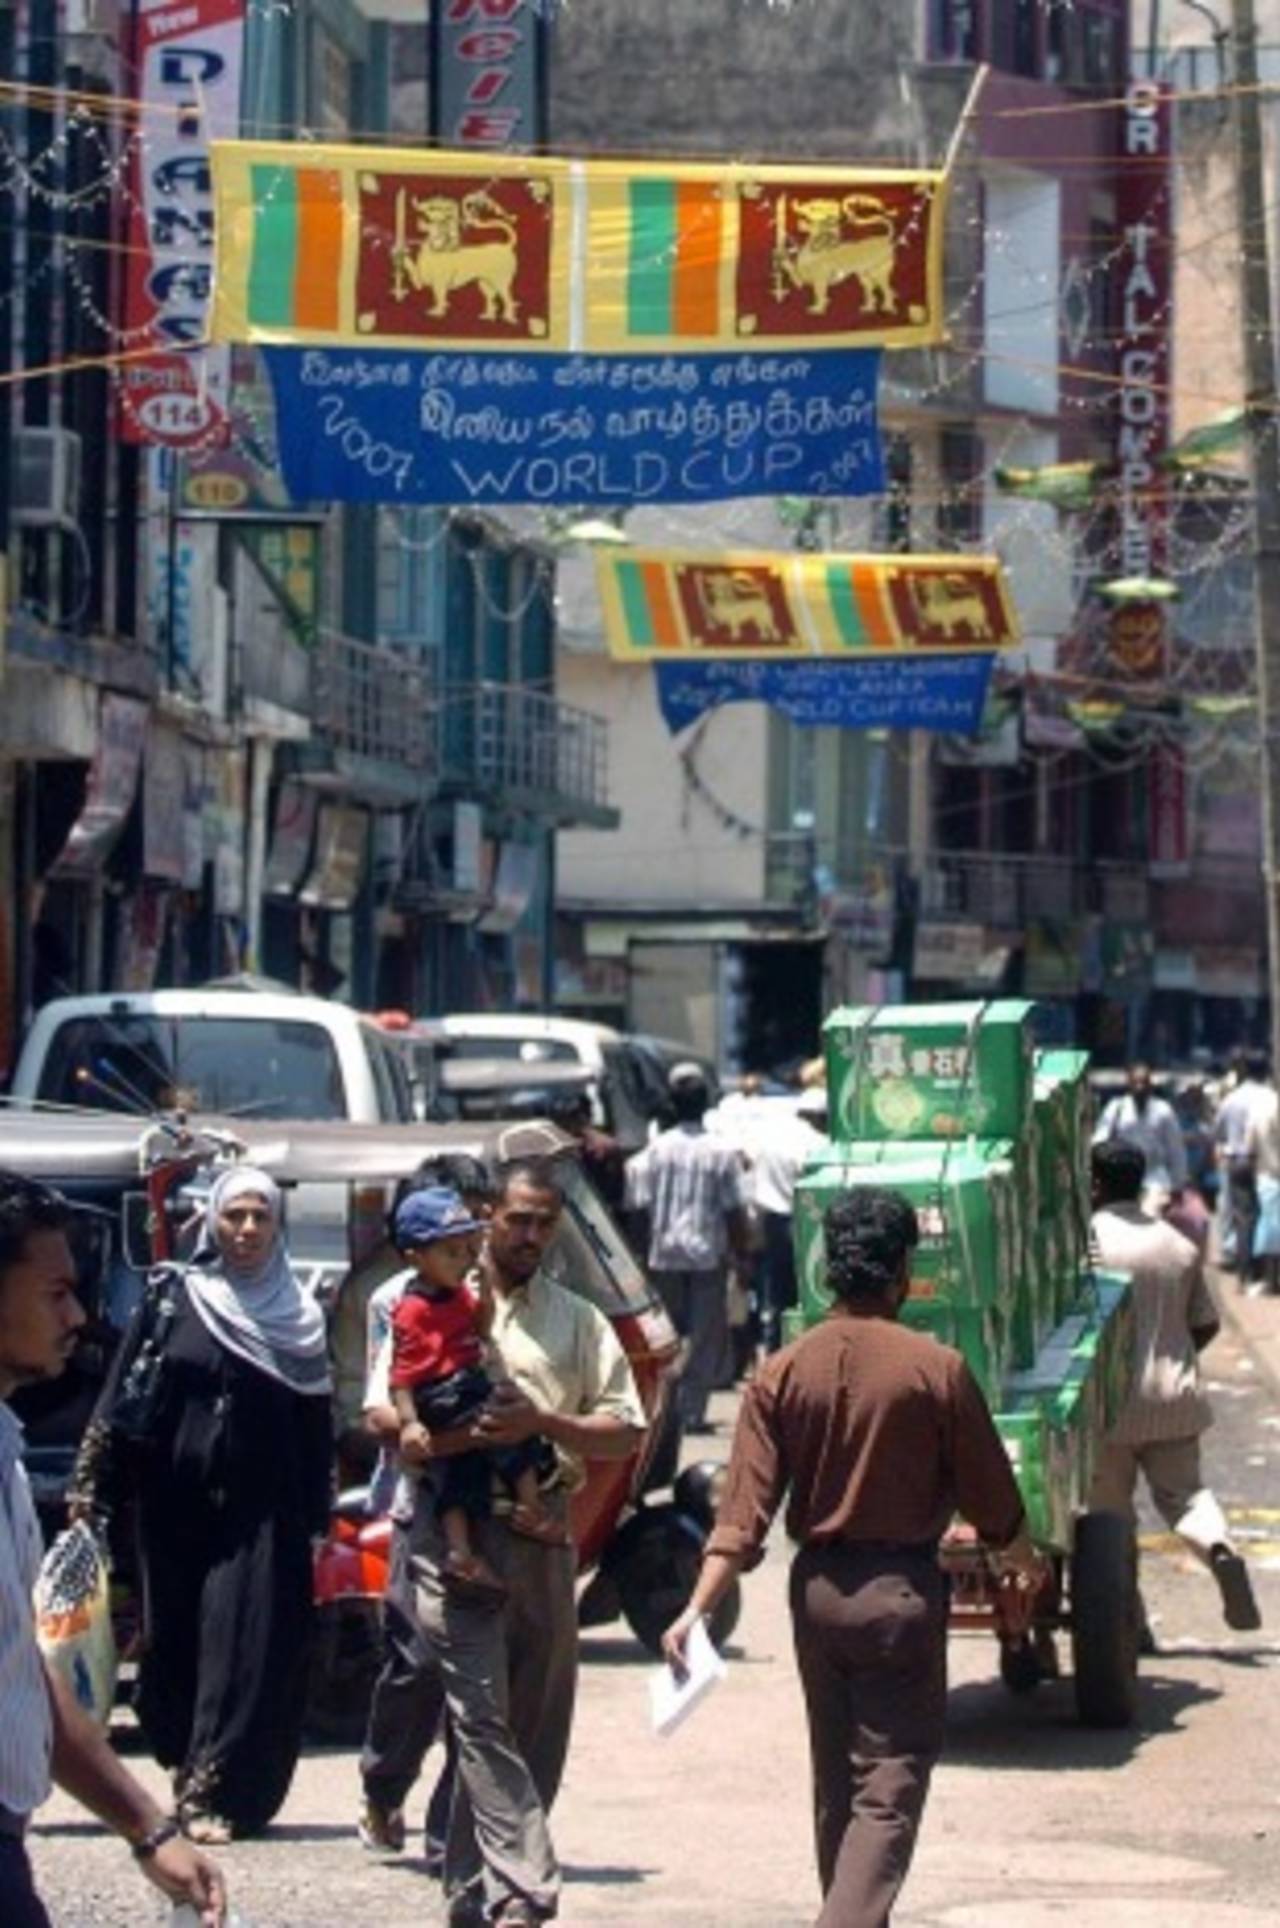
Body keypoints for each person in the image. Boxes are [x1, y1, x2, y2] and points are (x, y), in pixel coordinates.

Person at [663, 1187, 1038, 1928]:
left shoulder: (780, 1371)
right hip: (899, 1596)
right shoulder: (937, 1369)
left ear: (826, 1272)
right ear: (904, 1271)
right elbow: (993, 1498)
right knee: (889, 1785)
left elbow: (742, 1515)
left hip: (817, 1595)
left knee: (838, 1783)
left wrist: (694, 1609)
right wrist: (1019, 1555)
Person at [370, 1160, 646, 1926]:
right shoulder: (419, 1302)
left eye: (545, 1221)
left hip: (543, 1532)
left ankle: (470, 1891)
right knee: (482, 1715)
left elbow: (625, 1431)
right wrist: (447, 1434)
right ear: (488, 1214)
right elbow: (380, 1416)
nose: (530, 1234)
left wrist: (543, 1425)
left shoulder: (580, 1320)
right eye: (518, 1218)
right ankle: (525, 1886)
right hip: (454, 1531)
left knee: (535, 1722)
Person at [72, 1167, 333, 1842]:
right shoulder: (173, 1297)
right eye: (234, 1216)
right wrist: (90, 1490)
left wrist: (316, 1525)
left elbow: (313, 1431)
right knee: (175, 1646)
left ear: (278, 1227)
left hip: (261, 1514)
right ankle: (186, 1768)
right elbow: (123, 1395)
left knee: (242, 1647)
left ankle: (217, 1793)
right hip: (174, 1505)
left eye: (259, 1217)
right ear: (211, 1221)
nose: (246, 1230)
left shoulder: (299, 1319)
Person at [0, 1171, 226, 1927]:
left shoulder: (7, 1445)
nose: (78, 1317)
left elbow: (23, 1674)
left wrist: (147, 1826)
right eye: (54, 1293)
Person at [357, 1156, 494, 1863]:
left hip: (494, 1504)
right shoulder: (401, 1299)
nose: (471, 1242)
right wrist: (442, 1434)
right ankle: (384, 1786)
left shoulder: (502, 1295)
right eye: (457, 1223)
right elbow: (381, 1406)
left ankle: (453, 1831)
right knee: (414, 1662)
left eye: (478, 1221)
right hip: (422, 1499)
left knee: (480, 1684)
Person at [1087, 1141, 1261, 1637]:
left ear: (1095, 1183)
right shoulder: (1178, 1247)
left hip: (1106, 1404)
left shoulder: (1086, 1242)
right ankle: (1220, 1549)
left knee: (1109, 1522)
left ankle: (1129, 1624)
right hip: (1175, 1398)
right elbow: (1203, 1324)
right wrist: (1173, 1356)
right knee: (1187, 1497)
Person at [388, 1187, 563, 1600]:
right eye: (451, 1252)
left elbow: (481, 1328)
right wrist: (411, 1422)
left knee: (460, 1476)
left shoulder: (457, 1292)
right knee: (516, 1426)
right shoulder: (411, 1308)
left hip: (463, 1384)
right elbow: (402, 1376)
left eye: (467, 1249)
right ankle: (532, 1507)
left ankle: (461, 1554)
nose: (463, 1259)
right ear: (416, 1258)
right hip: (446, 1393)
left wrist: (483, 1292)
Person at [626, 1062, 751, 1432]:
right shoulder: (721, 1152)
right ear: (705, 1106)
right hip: (706, 1257)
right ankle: (690, 1413)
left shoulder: (655, 1151)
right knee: (702, 1335)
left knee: (665, 1336)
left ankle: (664, 1410)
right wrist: (741, 1256)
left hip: (662, 1256)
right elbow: (734, 1211)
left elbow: (638, 1208)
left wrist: (637, 1256)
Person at [1094, 1063, 1188, 1204]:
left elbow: (1176, 1150)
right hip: (1122, 1180)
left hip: (1155, 1180)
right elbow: (1100, 1141)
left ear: (1150, 1085)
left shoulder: (1163, 1111)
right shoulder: (1116, 1109)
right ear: (1129, 1084)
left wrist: (1178, 1184)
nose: (1140, 1087)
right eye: (1136, 1082)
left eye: (1144, 1082)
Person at [1215, 1050, 1272, 1284]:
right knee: (1265, 1215)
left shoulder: (1232, 1098)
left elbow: (1218, 1131)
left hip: (1237, 1162)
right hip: (1264, 1164)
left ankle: (1244, 1272)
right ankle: (1263, 1271)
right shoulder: (1271, 1097)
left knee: (1242, 1218)